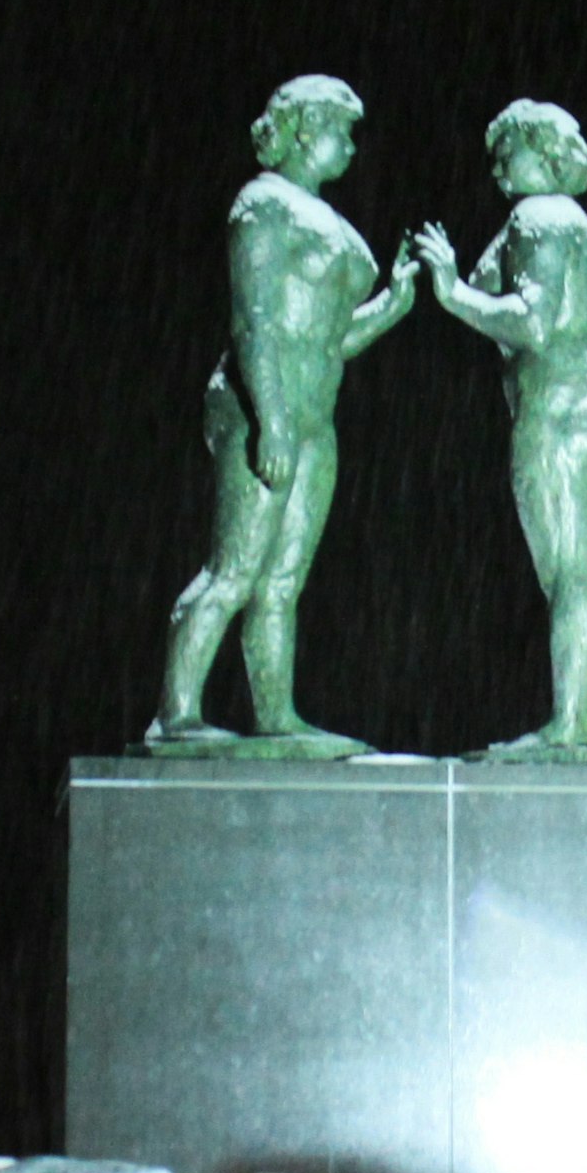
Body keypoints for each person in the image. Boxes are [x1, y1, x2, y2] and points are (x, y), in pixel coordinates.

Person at [410, 100, 587, 758]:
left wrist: (452, 294)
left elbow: (530, 323)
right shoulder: (578, 227)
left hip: (560, 411)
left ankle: (569, 725)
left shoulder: (536, 218)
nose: (498, 169)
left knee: (569, 576)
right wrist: (464, 276)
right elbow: (496, 279)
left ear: (539, 150)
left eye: (506, 152)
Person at [152, 74, 421, 754]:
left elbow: (332, 341)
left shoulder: (321, 217)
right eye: (344, 131)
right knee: (235, 568)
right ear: (305, 128)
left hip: (313, 413)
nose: (353, 148)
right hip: (259, 403)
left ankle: (277, 714)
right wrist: (269, 416)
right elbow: (256, 321)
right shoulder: (262, 205)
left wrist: (393, 303)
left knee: (282, 580)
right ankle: (176, 711)